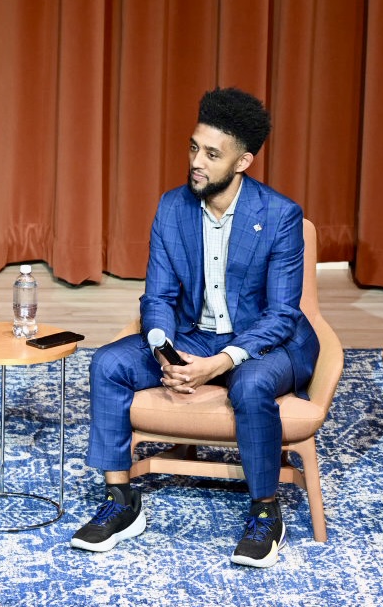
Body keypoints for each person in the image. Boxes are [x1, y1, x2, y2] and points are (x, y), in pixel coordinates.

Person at [73, 88, 318, 566]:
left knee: (249, 387)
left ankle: (266, 510)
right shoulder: (172, 207)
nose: (196, 162)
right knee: (108, 363)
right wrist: (167, 352)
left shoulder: (280, 215)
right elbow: (158, 297)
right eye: (193, 148)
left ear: (243, 161)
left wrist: (218, 364)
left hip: (267, 343)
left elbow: (282, 315)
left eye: (211, 154)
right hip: (192, 333)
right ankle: (122, 501)